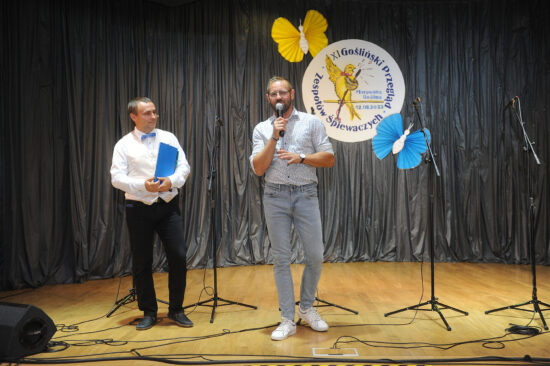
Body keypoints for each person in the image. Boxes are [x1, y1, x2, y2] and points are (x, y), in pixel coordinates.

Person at [249, 76, 335, 340]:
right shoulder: (261, 129)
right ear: (268, 98)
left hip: (305, 194)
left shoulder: (312, 123)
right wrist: (274, 138)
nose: (278, 98)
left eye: (282, 93)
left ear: (292, 94)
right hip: (274, 196)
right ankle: (287, 318)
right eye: (273, 94)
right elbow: (259, 168)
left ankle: (307, 308)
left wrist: (302, 158)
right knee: (281, 259)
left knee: (315, 255)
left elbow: (329, 158)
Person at [111, 97, 193, 330]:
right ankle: (148, 311)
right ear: (133, 116)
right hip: (138, 208)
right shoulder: (123, 144)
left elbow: (184, 167)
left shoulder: (168, 137)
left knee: (178, 256)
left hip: (167, 205)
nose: (153, 116)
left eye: (154, 112)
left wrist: (171, 181)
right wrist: (141, 185)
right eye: (147, 113)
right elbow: (116, 178)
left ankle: (176, 309)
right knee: (142, 261)